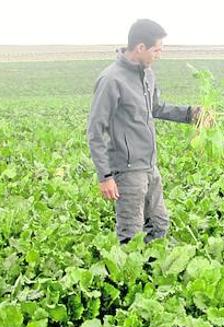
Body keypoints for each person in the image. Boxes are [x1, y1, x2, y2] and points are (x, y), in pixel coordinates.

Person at [87, 19, 200, 243]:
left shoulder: (147, 74)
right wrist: (105, 176)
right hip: (127, 169)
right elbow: (95, 131)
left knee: (159, 225)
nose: (159, 55)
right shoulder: (111, 80)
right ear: (140, 47)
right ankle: (128, 266)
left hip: (149, 165)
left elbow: (156, 108)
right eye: (156, 50)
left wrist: (190, 114)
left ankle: (152, 266)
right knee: (131, 235)